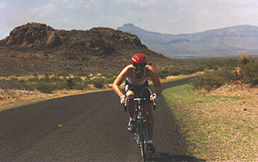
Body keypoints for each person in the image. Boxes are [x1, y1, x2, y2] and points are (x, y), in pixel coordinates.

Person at [112, 53, 162, 153]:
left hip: (143, 87)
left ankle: (150, 142)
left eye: (141, 66)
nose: (138, 68)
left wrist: (155, 95)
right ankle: (132, 120)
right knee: (130, 97)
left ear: (145, 65)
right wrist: (122, 97)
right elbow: (115, 84)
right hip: (131, 87)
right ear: (132, 65)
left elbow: (158, 87)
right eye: (136, 66)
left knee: (148, 112)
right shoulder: (128, 70)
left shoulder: (150, 71)